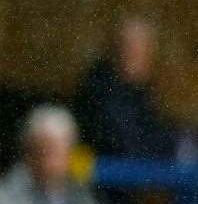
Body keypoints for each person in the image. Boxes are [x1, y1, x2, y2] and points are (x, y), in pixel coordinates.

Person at [75, 18, 178, 159]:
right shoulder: (100, 91)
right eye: (128, 50)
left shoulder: (144, 92)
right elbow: (123, 142)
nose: (134, 57)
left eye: (141, 51)